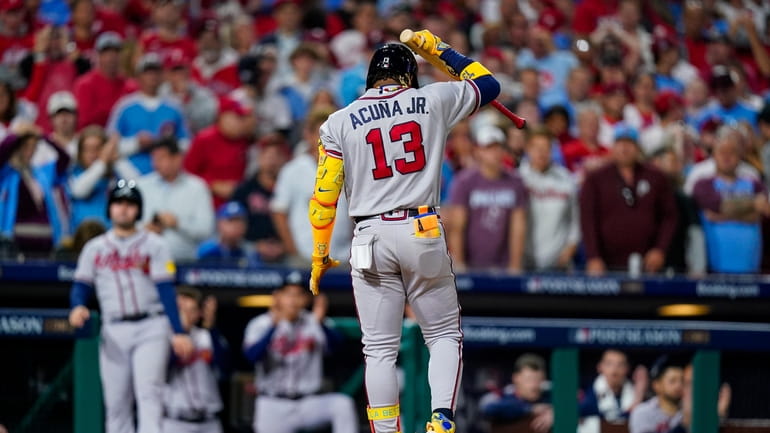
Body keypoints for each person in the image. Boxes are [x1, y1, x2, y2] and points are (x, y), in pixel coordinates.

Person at [306, 32, 501, 432]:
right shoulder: (432, 98)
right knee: (444, 333)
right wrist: (439, 49)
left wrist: (319, 252)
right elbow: (488, 84)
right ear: (410, 76)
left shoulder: (338, 121)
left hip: (369, 235)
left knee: (378, 350)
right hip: (420, 227)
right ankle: (441, 420)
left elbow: (325, 196)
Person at [68, 179, 194, 433]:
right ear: (110, 208)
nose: (124, 209)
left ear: (138, 209)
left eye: (129, 204)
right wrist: (77, 306)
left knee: (149, 396)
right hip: (114, 328)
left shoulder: (155, 245)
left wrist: (178, 330)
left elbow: (166, 289)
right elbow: (81, 286)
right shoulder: (94, 248)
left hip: (151, 326)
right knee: (116, 404)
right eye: (118, 203)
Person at [242, 270, 357, 433]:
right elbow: (251, 357)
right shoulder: (261, 324)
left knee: (341, 405)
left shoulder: (314, 322)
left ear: (306, 299)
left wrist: (321, 324)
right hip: (273, 404)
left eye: (299, 295)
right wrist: (272, 329)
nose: (293, 300)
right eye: (288, 294)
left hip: (307, 403)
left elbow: (338, 350)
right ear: (277, 297)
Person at [580, 124, 678, 275]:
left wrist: (660, 249)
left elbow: (669, 217)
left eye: (630, 144)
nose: (625, 148)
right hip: (606, 263)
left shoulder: (656, 177)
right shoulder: (596, 179)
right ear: (613, 147)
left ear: (638, 148)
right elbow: (587, 220)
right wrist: (593, 256)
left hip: (649, 264)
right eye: (620, 143)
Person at [270, 108, 352, 266]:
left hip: (343, 256)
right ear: (308, 135)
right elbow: (279, 212)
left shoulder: (350, 168)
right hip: (304, 257)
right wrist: (293, 251)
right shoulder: (292, 170)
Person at [447, 125, 529, 272]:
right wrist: (459, 264)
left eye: (498, 147)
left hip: (503, 265)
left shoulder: (516, 182)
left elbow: (518, 226)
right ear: (478, 151)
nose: (495, 153)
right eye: (489, 148)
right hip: (471, 264)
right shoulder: (465, 181)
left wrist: (515, 266)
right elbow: (457, 226)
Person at [692, 132, 768, 273]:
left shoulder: (754, 183)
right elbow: (718, 206)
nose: (726, 157)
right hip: (714, 269)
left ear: (740, 157)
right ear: (713, 155)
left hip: (751, 268)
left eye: (732, 152)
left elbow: (763, 211)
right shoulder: (703, 184)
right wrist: (751, 208)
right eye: (722, 152)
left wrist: (721, 216)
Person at [107, 52, 190, 175]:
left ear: (162, 76)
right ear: (138, 76)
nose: (152, 76)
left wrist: (165, 144)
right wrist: (136, 143)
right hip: (131, 174)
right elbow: (110, 145)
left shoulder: (175, 107)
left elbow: (187, 144)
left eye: (156, 72)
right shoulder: (125, 106)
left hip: (166, 176)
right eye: (147, 72)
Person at [137, 137, 214, 262]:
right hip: (145, 261)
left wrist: (178, 224)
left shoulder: (197, 187)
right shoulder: (141, 186)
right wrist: (145, 229)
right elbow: (127, 225)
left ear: (177, 158)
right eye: (154, 159)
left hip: (184, 262)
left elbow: (206, 231)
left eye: (161, 158)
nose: (156, 164)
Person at [0, 123, 71, 257]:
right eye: (26, 146)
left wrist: (43, 136)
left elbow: (65, 159)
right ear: (17, 148)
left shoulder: (42, 173)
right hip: (15, 242)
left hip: (46, 241)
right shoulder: (7, 173)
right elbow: (1, 153)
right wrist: (16, 135)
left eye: (33, 147)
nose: (30, 151)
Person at [163, 287, 227, 433]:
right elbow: (163, 368)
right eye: (179, 309)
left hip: (209, 421)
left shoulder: (206, 336)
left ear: (198, 313)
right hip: (174, 421)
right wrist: (181, 332)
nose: (183, 314)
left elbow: (225, 367)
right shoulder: (161, 337)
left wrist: (211, 328)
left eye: (189, 309)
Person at [519, 129, 579, 270]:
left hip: (559, 263)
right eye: (536, 148)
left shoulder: (566, 178)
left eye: (546, 148)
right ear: (527, 149)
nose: (541, 153)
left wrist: (570, 249)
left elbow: (575, 220)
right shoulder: (518, 178)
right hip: (524, 261)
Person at [183, 96, 254, 209]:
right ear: (223, 117)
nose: (242, 122)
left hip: (238, 204)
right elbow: (187, 173)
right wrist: (213, 185)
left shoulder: (245, 140)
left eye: (242, 118)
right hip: (208, 203)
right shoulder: (204, 139)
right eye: (238, 117)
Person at [68, 126, 139, 231]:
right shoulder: (74, 172)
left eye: (97, 148)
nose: (92, 154)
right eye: (87, 149)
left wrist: (116, 158)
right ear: (80, 152)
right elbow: (79, 192)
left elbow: (139, 185)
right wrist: (102, 162)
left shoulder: (116, 175)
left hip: (113, 235)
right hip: (84, 235)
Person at [231, 135, 288, 263]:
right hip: (250, 248)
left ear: (285, 159)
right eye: (267, 155)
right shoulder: (244, 190)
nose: (272, 161)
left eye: (277, 156)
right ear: (259, 158)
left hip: (286, 250)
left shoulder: (292, 190)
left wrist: (285, 246)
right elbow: (233, 224)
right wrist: (256, 245)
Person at [479, 353, 554, 433]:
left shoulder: (549, 400)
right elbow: (488, 409)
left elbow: (566, 409)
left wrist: (556, 415)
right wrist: (531, 409)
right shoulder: (502, 396)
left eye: (539, 379)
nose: (534, 385)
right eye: (529, 379)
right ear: (516, 378)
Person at [578, 349, 649, 433]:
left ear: (627, 368)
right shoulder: (588, 394)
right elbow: (612, 420)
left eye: (620, 365)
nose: (614, 370)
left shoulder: (635, 392)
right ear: (600, 367)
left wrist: (640, 394)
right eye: (609, 364)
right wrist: (637, 401)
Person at [72, 32, 128, 129]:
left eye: (115, 53)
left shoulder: (130, 86)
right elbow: (85, 121)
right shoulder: (85, 84)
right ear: (98, 56)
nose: (111, 58)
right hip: (94, 137)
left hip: (124, 139)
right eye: (105, 53)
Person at [629, 357, 685, 433]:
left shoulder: (690, 411)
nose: (679, 385)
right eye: (672, 381)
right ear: (656, 385)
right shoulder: (643, 412)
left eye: (682, 381)